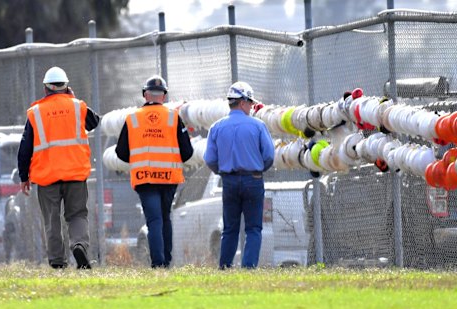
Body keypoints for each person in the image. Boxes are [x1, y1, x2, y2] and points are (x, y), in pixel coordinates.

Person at [18, 66, 100, 269]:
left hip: (47, 177)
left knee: (51, 219)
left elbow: (25, 147)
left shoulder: (35, 112)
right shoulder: (77, 106)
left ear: (46, 88)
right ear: (66, 87)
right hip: (75, 173)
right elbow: (94, 122)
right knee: (77, 214)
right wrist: (74, 98)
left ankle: (57, 262)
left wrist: (23, 176)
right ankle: (79, 245)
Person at [115, 75, 193, 268]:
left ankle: (158, 263)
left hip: (145, 178)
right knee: (165, 217)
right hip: (169, 178)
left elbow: (121, 153)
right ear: (164, 96)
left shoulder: (132, 119)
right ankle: (166, 261)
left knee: (154, 220)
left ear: (145, 95)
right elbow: (188, 152)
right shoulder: (174, 118)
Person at [204, 81, 275, 269]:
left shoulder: (216, 128)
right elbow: (269, 156)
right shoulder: (258, 126)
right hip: (253, 180)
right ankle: (249, 268)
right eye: (250, 103)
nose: (251, 107)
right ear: (243, 102)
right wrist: (258, 169)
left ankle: (225, 267)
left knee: (229, 229)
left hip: (229, 181)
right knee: (253, 228)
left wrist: (223, 171)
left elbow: (209, 158)